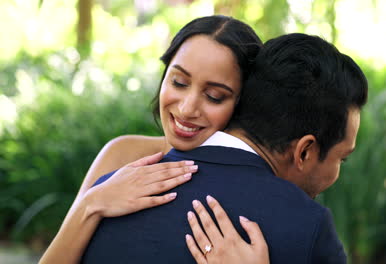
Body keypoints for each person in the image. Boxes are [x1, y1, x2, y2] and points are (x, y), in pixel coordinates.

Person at [80, 33, 368, 263]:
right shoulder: (309, 227)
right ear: (304, 151)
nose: (188, 108)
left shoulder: (109, 193)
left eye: (214, 95)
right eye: (342, 158)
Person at [39, 15, 262, 264]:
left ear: (244, 104)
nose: (187, 108)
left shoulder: (254, 185)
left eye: (214, 96)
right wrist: (92, 203)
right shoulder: (122, 154)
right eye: (179, 82)